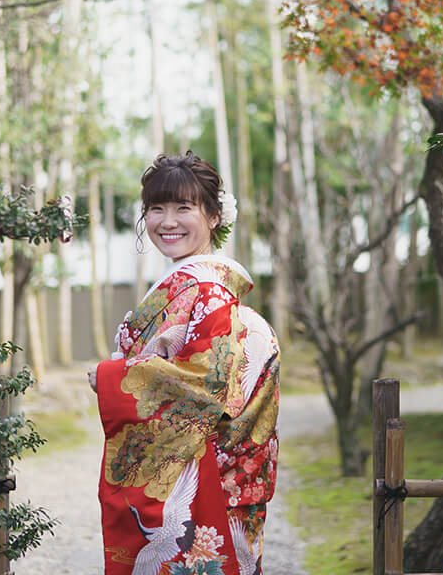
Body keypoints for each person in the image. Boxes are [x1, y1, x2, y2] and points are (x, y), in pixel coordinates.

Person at [88, 151, 280, 575]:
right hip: (194, 469)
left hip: (203, 478)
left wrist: (111, 377)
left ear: (213, 216)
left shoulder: (208, 290)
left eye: (183, 207)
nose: (167, 221)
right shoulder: (188, 284)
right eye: (156, 208)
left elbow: (204, 379)